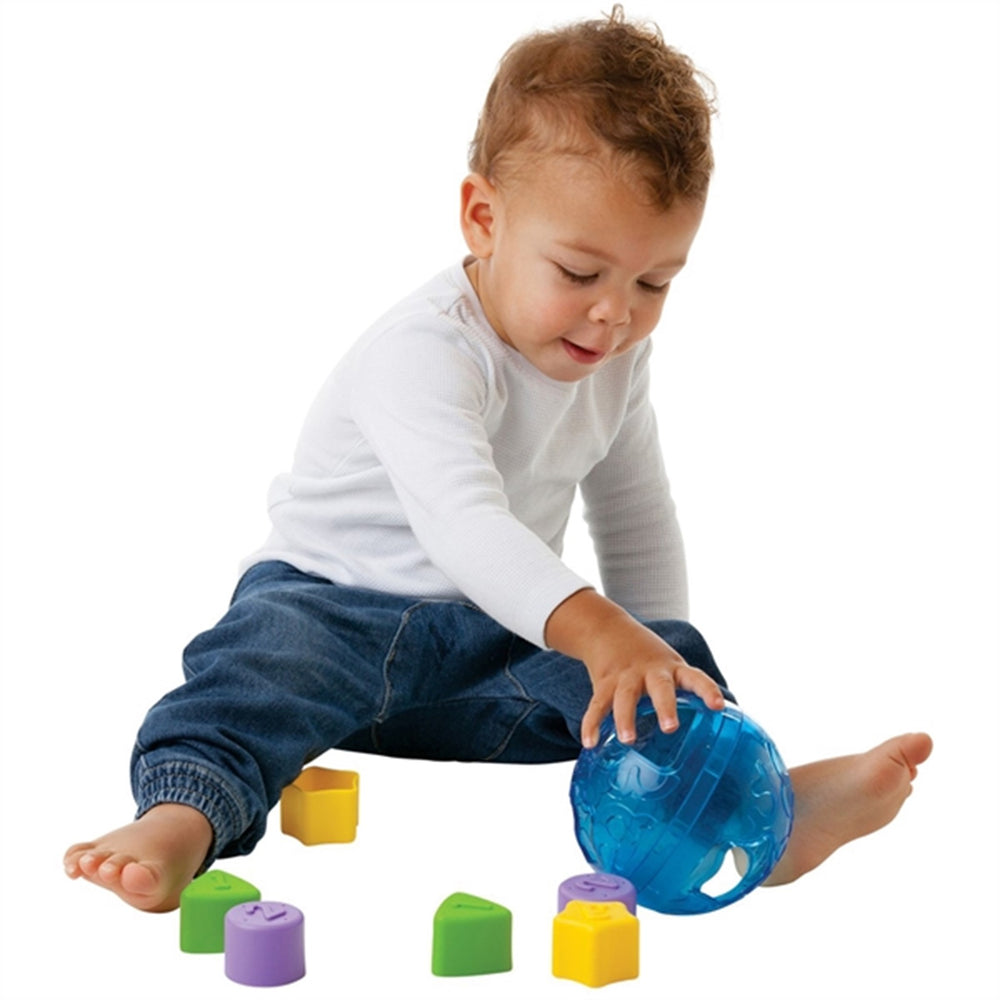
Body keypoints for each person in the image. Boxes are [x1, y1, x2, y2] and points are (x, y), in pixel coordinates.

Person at [64, 6, 932, 914]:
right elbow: (464, 525)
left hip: (489, 649)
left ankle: (747, 816)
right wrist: (602, 631)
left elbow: (635, 513)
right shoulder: (422, 351)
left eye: (653, 283)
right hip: (333, 614)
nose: (615, 314)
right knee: (257, 669)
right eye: (580, 273)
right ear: (484, 218)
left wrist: (650, 661)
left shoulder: (616, 359)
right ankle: (182, 817)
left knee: (666, 661)